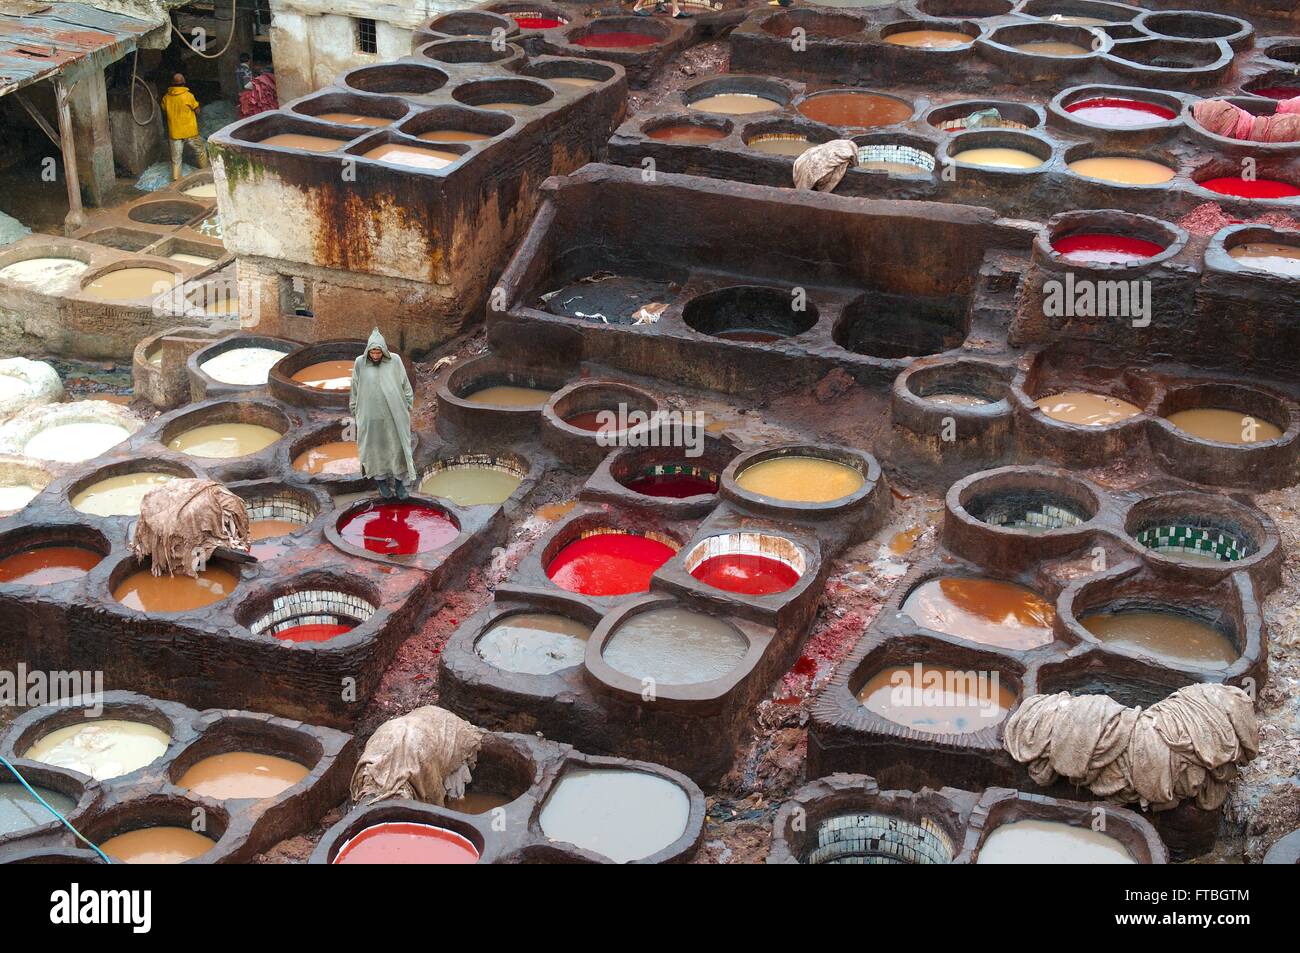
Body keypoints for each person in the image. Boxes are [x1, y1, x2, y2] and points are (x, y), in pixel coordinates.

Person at [349, 329, 416, 499]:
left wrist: (408, 404)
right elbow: (355, 387)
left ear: (384, 350)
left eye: (379, 351)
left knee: (397, 447)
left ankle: (400, 483)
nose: (376, 355)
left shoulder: (395, 361)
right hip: (370, 416)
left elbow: (405, 383)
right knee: (375, 448)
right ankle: (381, 482)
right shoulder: (360, 363)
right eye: (373, 351)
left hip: (394, 414)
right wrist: (354, 408)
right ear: (368, 351)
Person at [160, 73, 207, 181]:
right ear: (184, 82)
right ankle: (204, 172)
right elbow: (198, 110)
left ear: (172, 83)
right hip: (190, 132)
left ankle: (176, 180)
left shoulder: (166, 97)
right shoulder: (188, 96)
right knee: (200, 151)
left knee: (176, 159)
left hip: (175, 133)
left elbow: (164, 109)